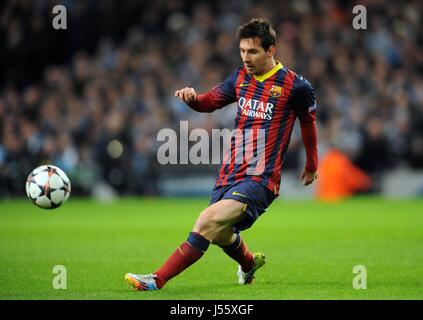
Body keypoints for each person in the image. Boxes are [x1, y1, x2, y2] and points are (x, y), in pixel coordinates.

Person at [125, 18, 318, 291]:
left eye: (252, 52)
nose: (246, 58)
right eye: (242, 51)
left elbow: (308, 123)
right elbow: (210, 102)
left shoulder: (295, 86)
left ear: (271, 50)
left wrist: (312, 165)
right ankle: (249, 263)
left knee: (206, 221)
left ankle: (156, 281)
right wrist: (193, 99)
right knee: (220, 233)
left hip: (260, 178)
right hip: (230, 173)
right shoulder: (240, 77)